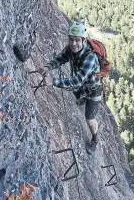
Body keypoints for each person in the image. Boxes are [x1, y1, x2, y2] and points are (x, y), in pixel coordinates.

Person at [41, 21, 102, 154]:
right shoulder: (70, 48)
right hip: (82, 86)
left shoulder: (91, 57)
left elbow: (77, 80)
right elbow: (61, 58)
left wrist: (53, 81)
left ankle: (95, 139)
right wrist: (47, 67)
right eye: (71, 40)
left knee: (89, 119)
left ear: (84, 40)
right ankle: (83, 98)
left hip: (93, 89)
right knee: (75, 92)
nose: (73, 43)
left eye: (77, 40)